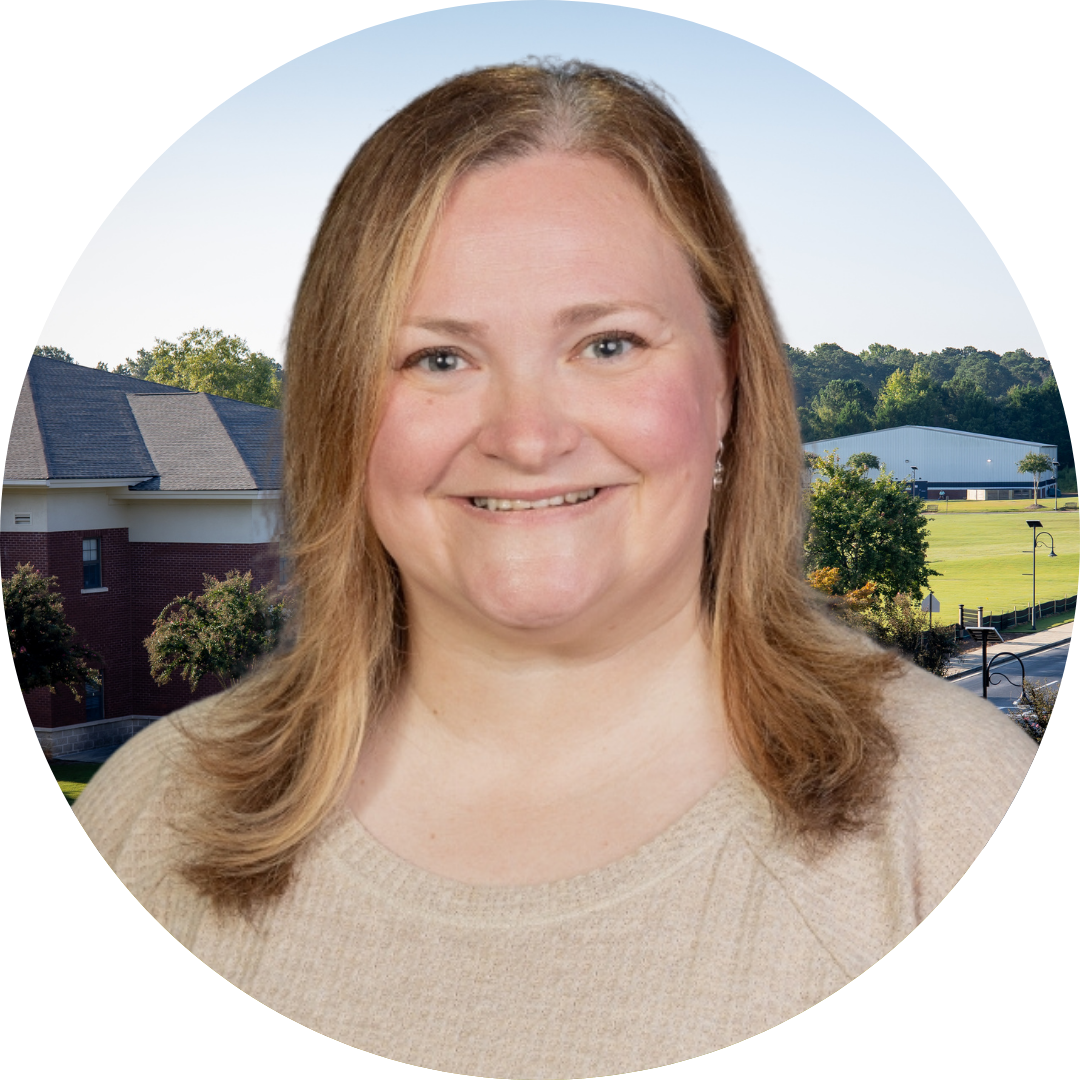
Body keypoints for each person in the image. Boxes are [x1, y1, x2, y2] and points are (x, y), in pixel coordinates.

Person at [73, 61, 1036, 1075]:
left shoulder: (955, 818)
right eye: (438, 359)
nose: (527, 439)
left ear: (730, 383)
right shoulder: (146, 826)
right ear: (338, 410)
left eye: (609, 344)